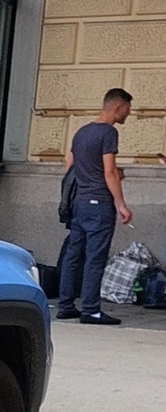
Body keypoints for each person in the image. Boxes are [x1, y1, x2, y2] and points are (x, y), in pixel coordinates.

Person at [57, 88, 134, 325]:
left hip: (79, 201)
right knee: (95, 258)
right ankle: (91, 309)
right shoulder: (108, 133)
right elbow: (109, 171)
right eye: (128, 111)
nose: (128, 116)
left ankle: (65, 305)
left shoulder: (81, 132)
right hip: (99, 202)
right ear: (117, 107)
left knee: (73, 255)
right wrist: (121, 204)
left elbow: (69, 166)